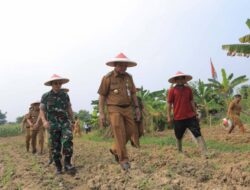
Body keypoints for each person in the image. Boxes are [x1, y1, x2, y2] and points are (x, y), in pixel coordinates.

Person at [98, 53, 141, 170]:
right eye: (121, 65)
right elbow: (102, 96)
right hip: (114, 108)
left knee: (131, 130)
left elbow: (133, 93)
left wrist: (137, 108)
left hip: (127, 108)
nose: (123, 68)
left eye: (125, 65)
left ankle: (115, 149)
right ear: (115, 65)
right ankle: (123, 160)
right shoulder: (107, 78)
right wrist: (101, 112)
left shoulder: (129, 77)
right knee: (118, 131)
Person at [39, 74, 75, 174]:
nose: (58, 85)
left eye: (59, 83)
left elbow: (69, 108)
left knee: (68, 140)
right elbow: (42, 111)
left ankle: (67, 163)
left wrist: (72, 120)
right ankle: (58, 166)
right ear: (51, 84)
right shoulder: (45, 96)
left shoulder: (65, 95)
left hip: (64, 122)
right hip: (52, 124)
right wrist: (44, 121)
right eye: (55, 83)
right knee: (55, 146)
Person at [167, 71, 208, 156]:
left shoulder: (188, 89)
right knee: (178, 136)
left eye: (182, 78)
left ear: (184, 79)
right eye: (178, 78)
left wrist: (195, 112)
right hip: (178, 117)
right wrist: (168, 116)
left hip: (190, 116)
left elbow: (191, 101)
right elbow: (169, 103)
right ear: (175, 80)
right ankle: (179, 152)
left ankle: (205, 153)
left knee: (197, 133)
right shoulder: (172, 90)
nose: (180, 80)